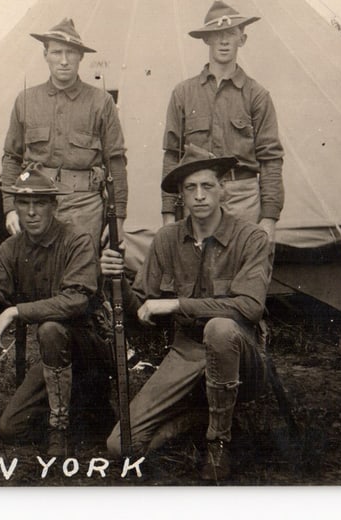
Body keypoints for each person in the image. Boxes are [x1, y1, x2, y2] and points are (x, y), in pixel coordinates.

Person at [102, 145, 273, 482]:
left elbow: (250, 308)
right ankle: (197, 417)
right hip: (186, 352)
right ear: (180, 195)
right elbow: (140, 309)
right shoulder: (167, 239)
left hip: (241, 355)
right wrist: (112, 279)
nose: (199, 196)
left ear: (223, 189)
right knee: (120, 447)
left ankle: (218, 444)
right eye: (190, 188)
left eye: (207, 186)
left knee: (220, 330)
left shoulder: (251, 238)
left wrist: (178, 304)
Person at [0, 164, 109, 457]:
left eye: (39, 203)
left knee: (51, 328)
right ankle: (78, 409)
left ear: (53, 206)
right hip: (52, 359)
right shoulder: (11, 248)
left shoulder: (77, 240)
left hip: (90, 349)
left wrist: (16, 311)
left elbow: (77, 301)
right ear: (15, 206)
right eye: (24, 203)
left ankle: (60, 427)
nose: (31, 212)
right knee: (10, 429)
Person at [0, 17, 127, 251]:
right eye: (57, 52)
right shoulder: (26, 100)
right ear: (45, 55)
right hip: (35, 202)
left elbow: (116, 161)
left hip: (84, 206)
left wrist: (118, 217)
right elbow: (11, 158)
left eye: (71, 53)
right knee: (36, 271)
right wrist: (9, 208)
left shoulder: (101, 102)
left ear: (81, 57)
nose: (64, 61)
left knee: (82, 271)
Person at [161, 1, 284, 239]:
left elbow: (271, 160)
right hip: (197, 196)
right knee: (194, 269)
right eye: (217, 34)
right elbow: (172, 156)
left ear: (242, 39)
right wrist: (168, 213)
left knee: (243, 268)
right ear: (206, 40)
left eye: (231, 33)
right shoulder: (183, 93)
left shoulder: (257, 95)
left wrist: (269, 218)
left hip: (242, 198)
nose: (224, 41)